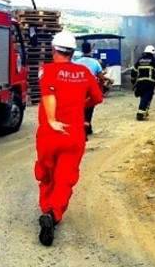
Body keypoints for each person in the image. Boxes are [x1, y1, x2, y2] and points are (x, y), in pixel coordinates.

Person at [35, 31, 103, 247]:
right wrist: (79, 106)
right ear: (72, 52)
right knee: (65, 177)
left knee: (46, 173)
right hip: (73, 135)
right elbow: (98, 97)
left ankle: (46, 208)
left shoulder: (47, 71)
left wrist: (55, 117)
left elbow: (49, 95)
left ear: (54, 50)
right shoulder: (84, 72)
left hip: (49, 134)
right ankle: (54, 214)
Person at [72, 42, 105, 136]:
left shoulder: (76, 62)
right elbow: (101, 77)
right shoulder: (95, 62)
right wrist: (101, 87)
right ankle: (86, 127)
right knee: (89, 108)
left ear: (82, 50)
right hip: (89, 89)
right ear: (90, 50)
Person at [131, 45, 155, 121]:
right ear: (152, 53)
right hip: (149, 83)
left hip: (140, 83)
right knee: (146, 97)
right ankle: (140, 114)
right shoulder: (153, 60)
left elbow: (134, 71)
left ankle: (144, 111)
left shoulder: (139, 60)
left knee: (144, 97)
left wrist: (133, 81)